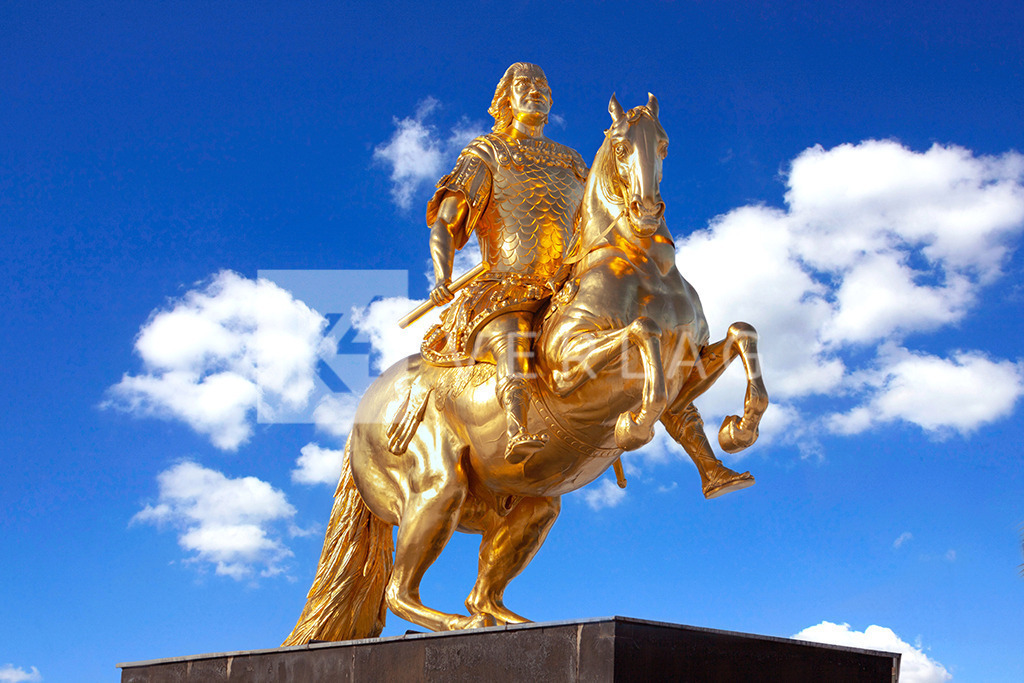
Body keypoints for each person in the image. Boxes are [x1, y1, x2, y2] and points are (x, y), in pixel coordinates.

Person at [421, 62, 587, 464]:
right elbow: (447, 219)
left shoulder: (573, 163)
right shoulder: (487, 151)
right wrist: (442, 274)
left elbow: (591, 227)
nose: (536, 91)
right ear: (506, 100)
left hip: (567, 289)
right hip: (505, 288)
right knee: (514, 335)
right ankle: (517, 426)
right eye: (525, 85)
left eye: (543, 85)